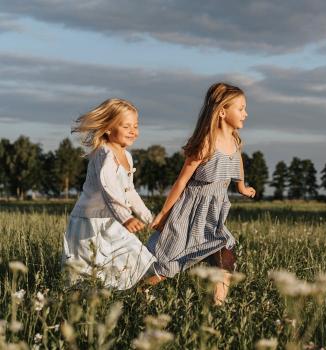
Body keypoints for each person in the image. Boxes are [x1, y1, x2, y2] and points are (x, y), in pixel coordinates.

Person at [147, 82, 255, 305]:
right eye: (241, 108)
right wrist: (163, 214)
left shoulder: (234, 140)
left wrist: (241, 186)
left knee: (225, 261)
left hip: (213, 217)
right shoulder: (206, 143)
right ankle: (138, 291)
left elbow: (238, 161)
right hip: (190, 213)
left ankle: (218, 309)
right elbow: (181, 182)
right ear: (222, 112)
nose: (246, 113)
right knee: (170, 263)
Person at [63, 98, 157, 290]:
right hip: (89, 222)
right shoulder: (104, 154)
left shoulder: (127, 156)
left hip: (113, 220)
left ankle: (125, 296)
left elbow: (128, 191)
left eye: (136, 126)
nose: (133, 131)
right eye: (126, 126)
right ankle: (81, 306)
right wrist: (126, 217)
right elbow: (108, 189)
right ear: (108, 128)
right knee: (87, 274)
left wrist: (148, 218)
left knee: (137, 256)